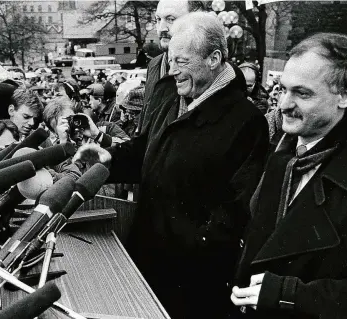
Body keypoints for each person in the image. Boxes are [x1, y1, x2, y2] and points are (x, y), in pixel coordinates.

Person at [83, 13, 268, 318]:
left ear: (214, 58)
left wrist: (191, 250)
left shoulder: (246, 123)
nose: (172, 70)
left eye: (181, 61)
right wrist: (109, 158)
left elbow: (235, 210)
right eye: (171, 60)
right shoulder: (171, 93)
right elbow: (148, 148)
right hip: (147, 256)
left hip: (190, 281)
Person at [230, 33, 347, 319]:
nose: (283, 105)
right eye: (283, 89)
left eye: (302, 93)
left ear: (346, 95)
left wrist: (289, 295)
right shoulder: (283, 157)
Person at [137, 0, 205, 134]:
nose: (161, 28)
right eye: (157, 19)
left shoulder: (210, 69)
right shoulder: (154, 65)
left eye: (170, 19)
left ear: (197, 20)